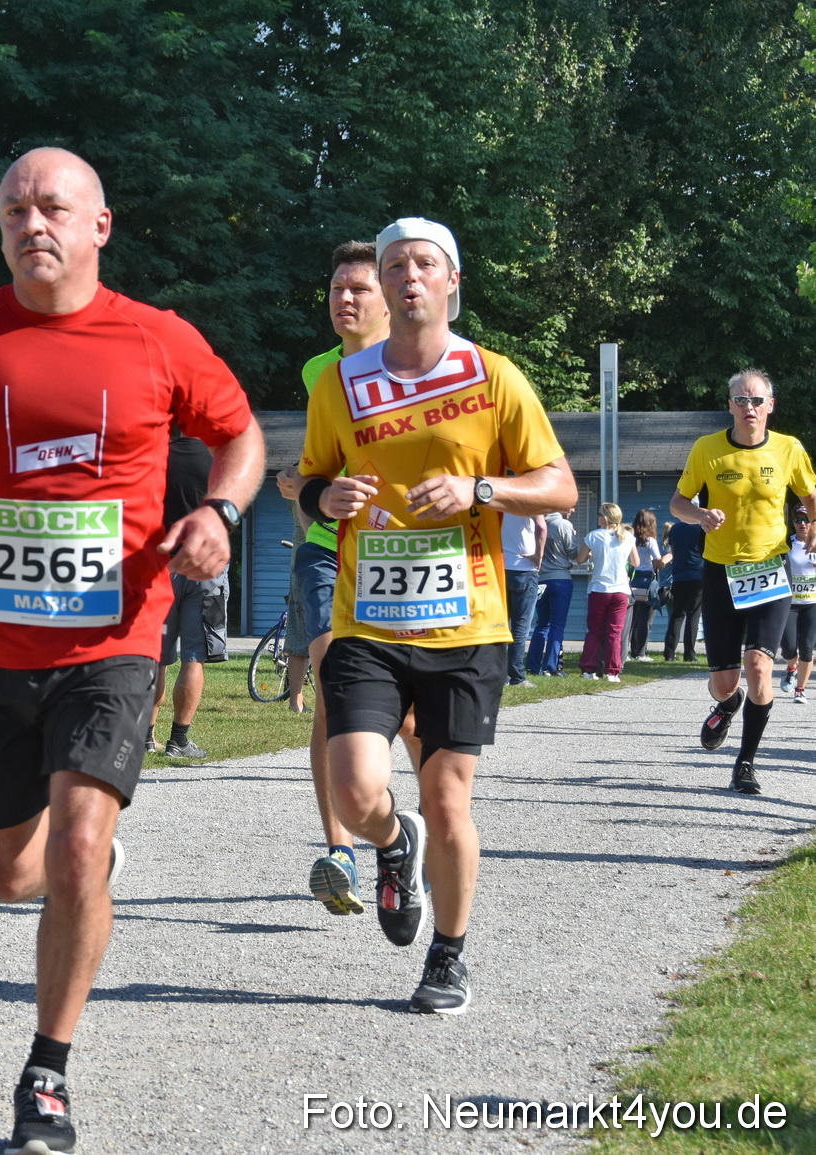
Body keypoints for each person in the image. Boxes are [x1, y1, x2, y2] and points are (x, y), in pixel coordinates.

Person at [0, 148, 265, 1155]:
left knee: (78, 848)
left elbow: (240, 434)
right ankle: (81, 871)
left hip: (114, 636)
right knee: (9, 877)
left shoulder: (158, 338)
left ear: (98, 225)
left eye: (51, 207)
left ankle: (47, 1071)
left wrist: (217, 509)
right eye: (12, 209)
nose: (30, 223)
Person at [297, 216, 575, 1016]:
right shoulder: (339, 385)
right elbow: (311, 480)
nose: (408, 276)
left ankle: (448, 956)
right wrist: (329, 496)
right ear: (382, 288)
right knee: (355, 789)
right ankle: (392, 843)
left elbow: (558, 485)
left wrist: (481, 490)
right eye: (395, 266)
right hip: (369, 621)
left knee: (448, 798)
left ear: (452, 282)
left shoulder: (493, 377)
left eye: (425, 264)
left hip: (469, 621)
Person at [275, 240, 414, 919]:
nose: (345, 298)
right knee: (333, 684)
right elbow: (316, 464)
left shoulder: (432, 366)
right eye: (336, 288)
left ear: (391, 299)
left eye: (359, 287)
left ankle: (417, 829)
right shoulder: (317, 371)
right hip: (329, 550)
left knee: (413, 714)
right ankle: (339, 849)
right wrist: (303, 486)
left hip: (408, 559)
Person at [672, 368, 816, 795]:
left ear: (770, 405)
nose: (748, 407)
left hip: (770, 568)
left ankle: (746, 762)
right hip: (720, 570)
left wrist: (812, 530)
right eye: (741, 400)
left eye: (757, 400)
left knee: (759, 667)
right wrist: (700, 515)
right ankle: (728, 704)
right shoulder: (707, 449)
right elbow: (678, 501)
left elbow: (810, 495)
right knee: (726, 682)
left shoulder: (789, 449)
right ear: (730, 404)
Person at [147, 427, 230, 760]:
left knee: (156, 658)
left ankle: (145, 737)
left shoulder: (156, 457)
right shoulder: (220, 460)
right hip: (206, 568)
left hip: (160, 567)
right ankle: (178, 741)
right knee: (194, 657)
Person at [576, 503, 638, 681]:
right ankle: (612, 671)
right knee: (614, 633)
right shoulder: (628, 536)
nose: (597, 517)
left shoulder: (594, 536)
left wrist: (591, 555)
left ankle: (589, 669)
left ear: (605, 518)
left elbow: (580, 559)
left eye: (599, 514)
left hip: (599, 589)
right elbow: (636, 562)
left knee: (594, 630)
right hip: (620, 590)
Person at [525, 505, 578, 675]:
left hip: (540, 578)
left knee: (541, 624)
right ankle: (551, 666)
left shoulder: (535, 523)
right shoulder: (563, 525)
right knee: (557, 625)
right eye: (570, 507)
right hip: (560, 578)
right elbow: (573, 553)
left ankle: (532, 665)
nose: (573, 510)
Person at [501, 511, 545, 686]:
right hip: (525, 568)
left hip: (501, 567)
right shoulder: (529, 501)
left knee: (501, 625)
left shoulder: (499, 501)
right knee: (520, 627)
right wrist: (538, 555)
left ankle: (501, 675)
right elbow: (541, 526)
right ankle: (517, 676)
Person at [662, 509, 707, 662]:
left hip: (679, 575)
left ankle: (669, 653)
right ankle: (689, 654)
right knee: (693, 616)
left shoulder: (675, 528)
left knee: (677, 614)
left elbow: (673, 548)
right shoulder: (700, 528)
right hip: (698, 574)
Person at [781, 506, 814, 703]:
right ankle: (791, 667)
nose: (803, 523)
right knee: (788, 648)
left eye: (807, 519)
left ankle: (800, 689)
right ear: (793, 522)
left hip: (813, 603)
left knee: (807, 648)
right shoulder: (787, 544)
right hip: (791, 603)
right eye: (798, 519)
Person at [626, 509, 666, 661]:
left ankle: (626, 650)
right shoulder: (650, 541)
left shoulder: (630, 539)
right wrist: (667, 558)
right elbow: (658, 563)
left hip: (632, 578)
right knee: (645, 619)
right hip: (647, 580)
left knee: (631, 618)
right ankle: (640, 652)